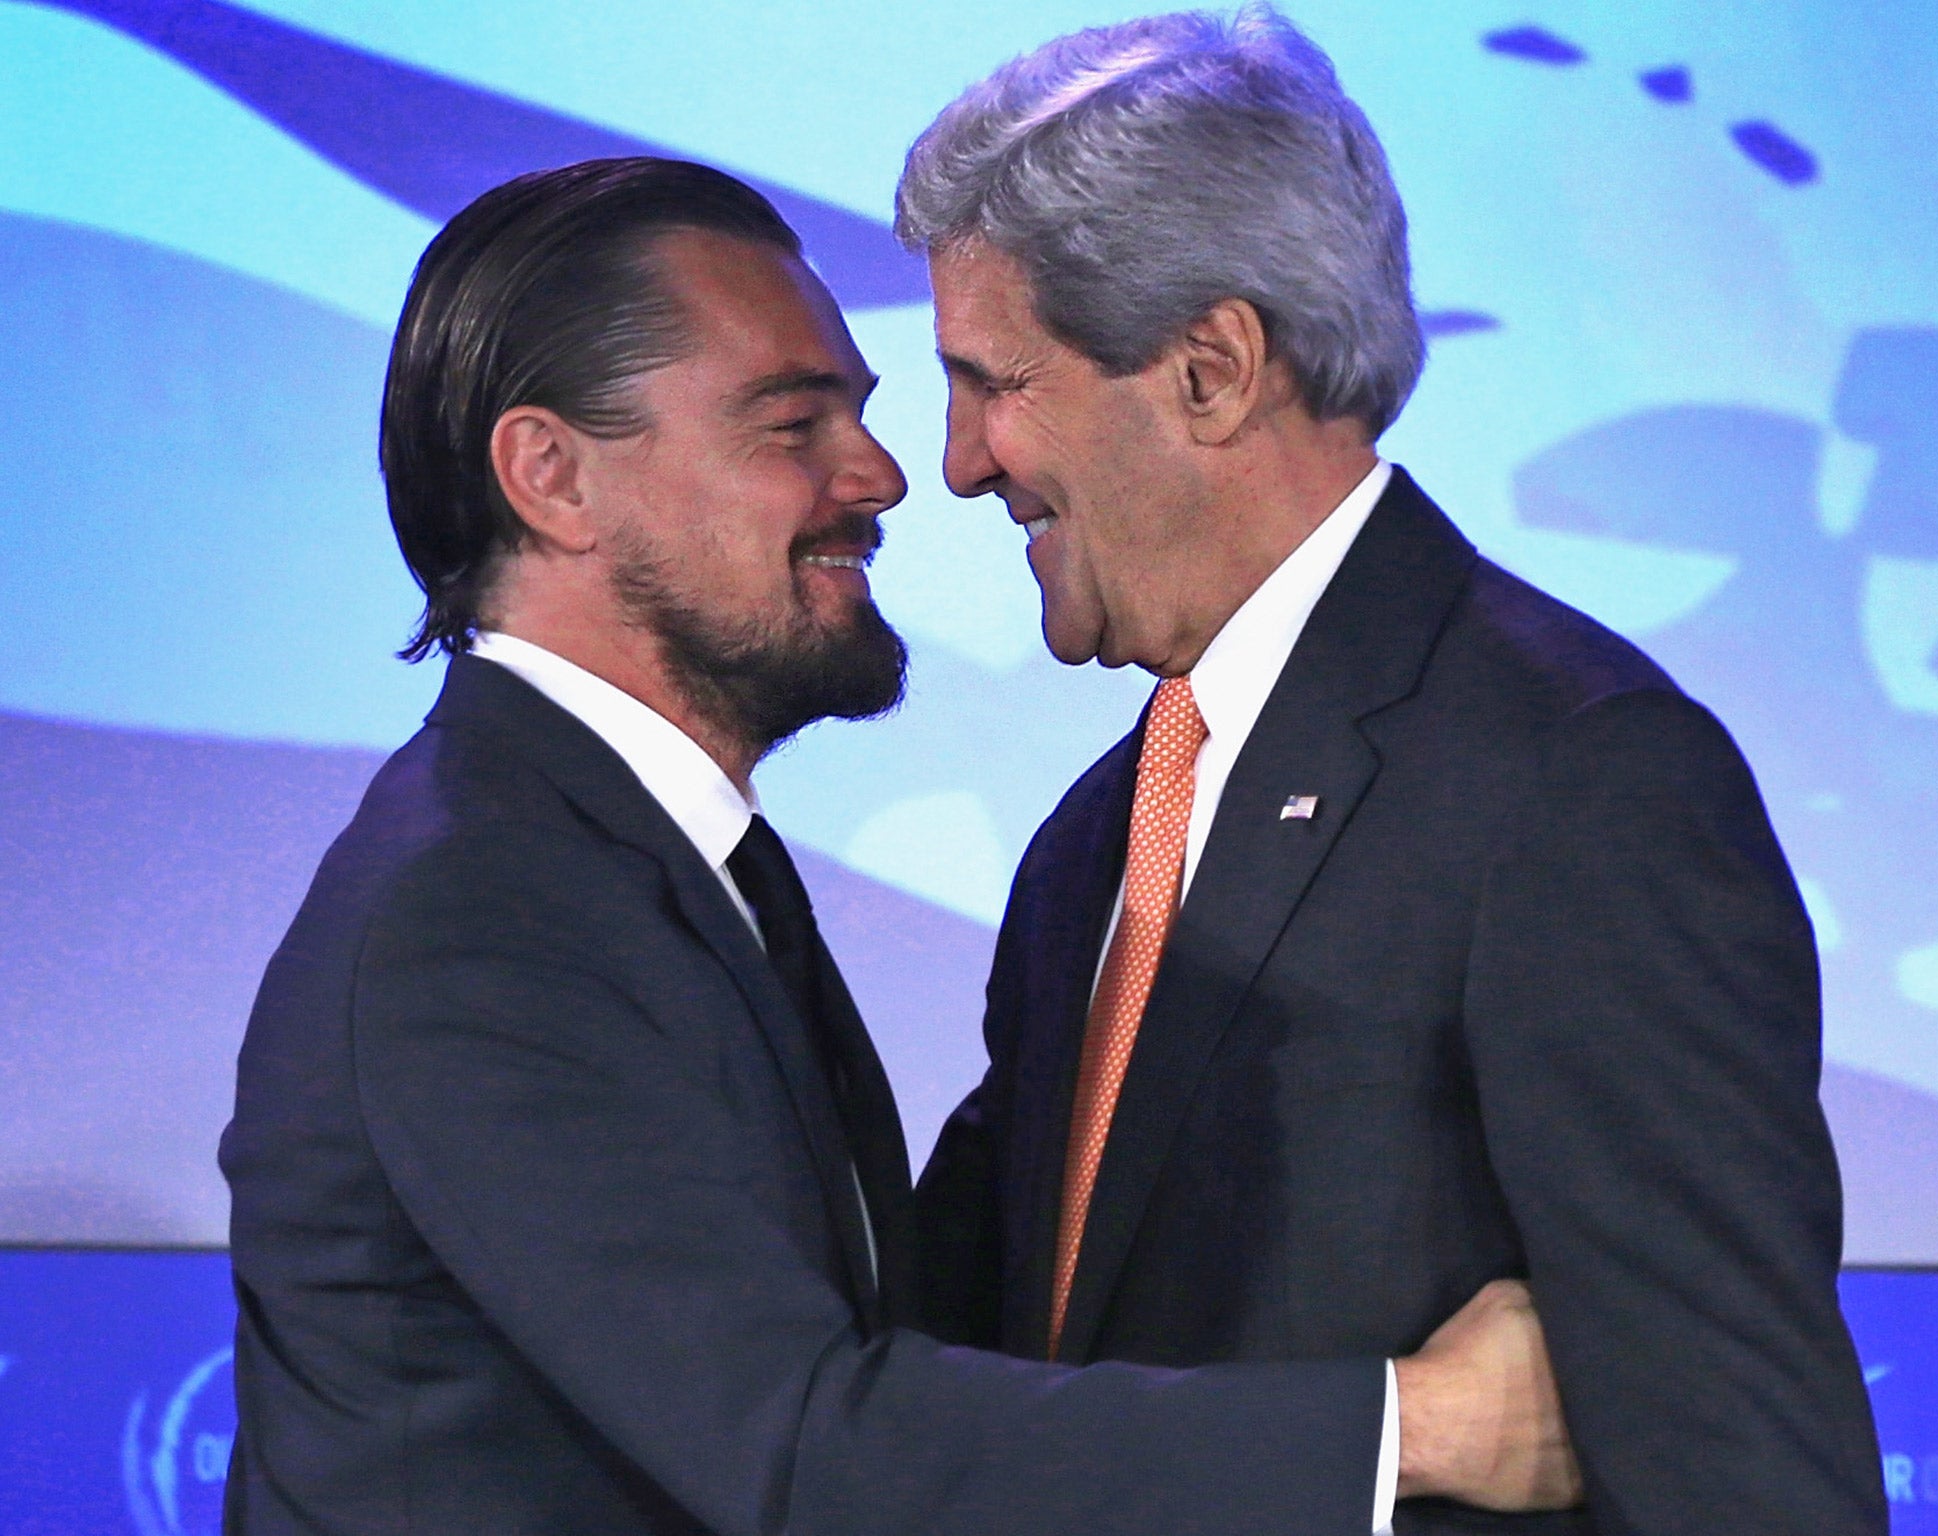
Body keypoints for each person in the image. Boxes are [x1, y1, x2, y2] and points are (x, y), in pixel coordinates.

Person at [219, 155, 1576, 1536]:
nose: (885, 475)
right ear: (553, 476)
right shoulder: (486, 910)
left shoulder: (649, 868)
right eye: (790, 425)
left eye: (860, 416)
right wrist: (1421, 1423)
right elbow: (804, 1444)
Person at [896, 11, 1887, 1534]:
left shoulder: (1579, 784)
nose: (959, 460)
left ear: (1212, 371)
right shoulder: (1097, 839)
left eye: (995, 381)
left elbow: (1743, 1479)